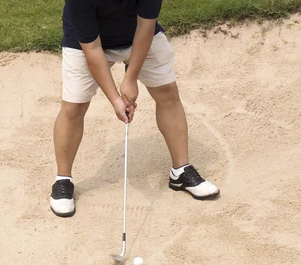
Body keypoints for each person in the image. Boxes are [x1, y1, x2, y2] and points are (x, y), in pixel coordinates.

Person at [50, 0, 220, 217]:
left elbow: (145, 27)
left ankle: (180, 170)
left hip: (139, 35)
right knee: (74, 107)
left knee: (167, 93)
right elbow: (92, 49)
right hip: (87, 42)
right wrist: (115, 99)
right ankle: (63, 180)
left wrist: (131, 78)